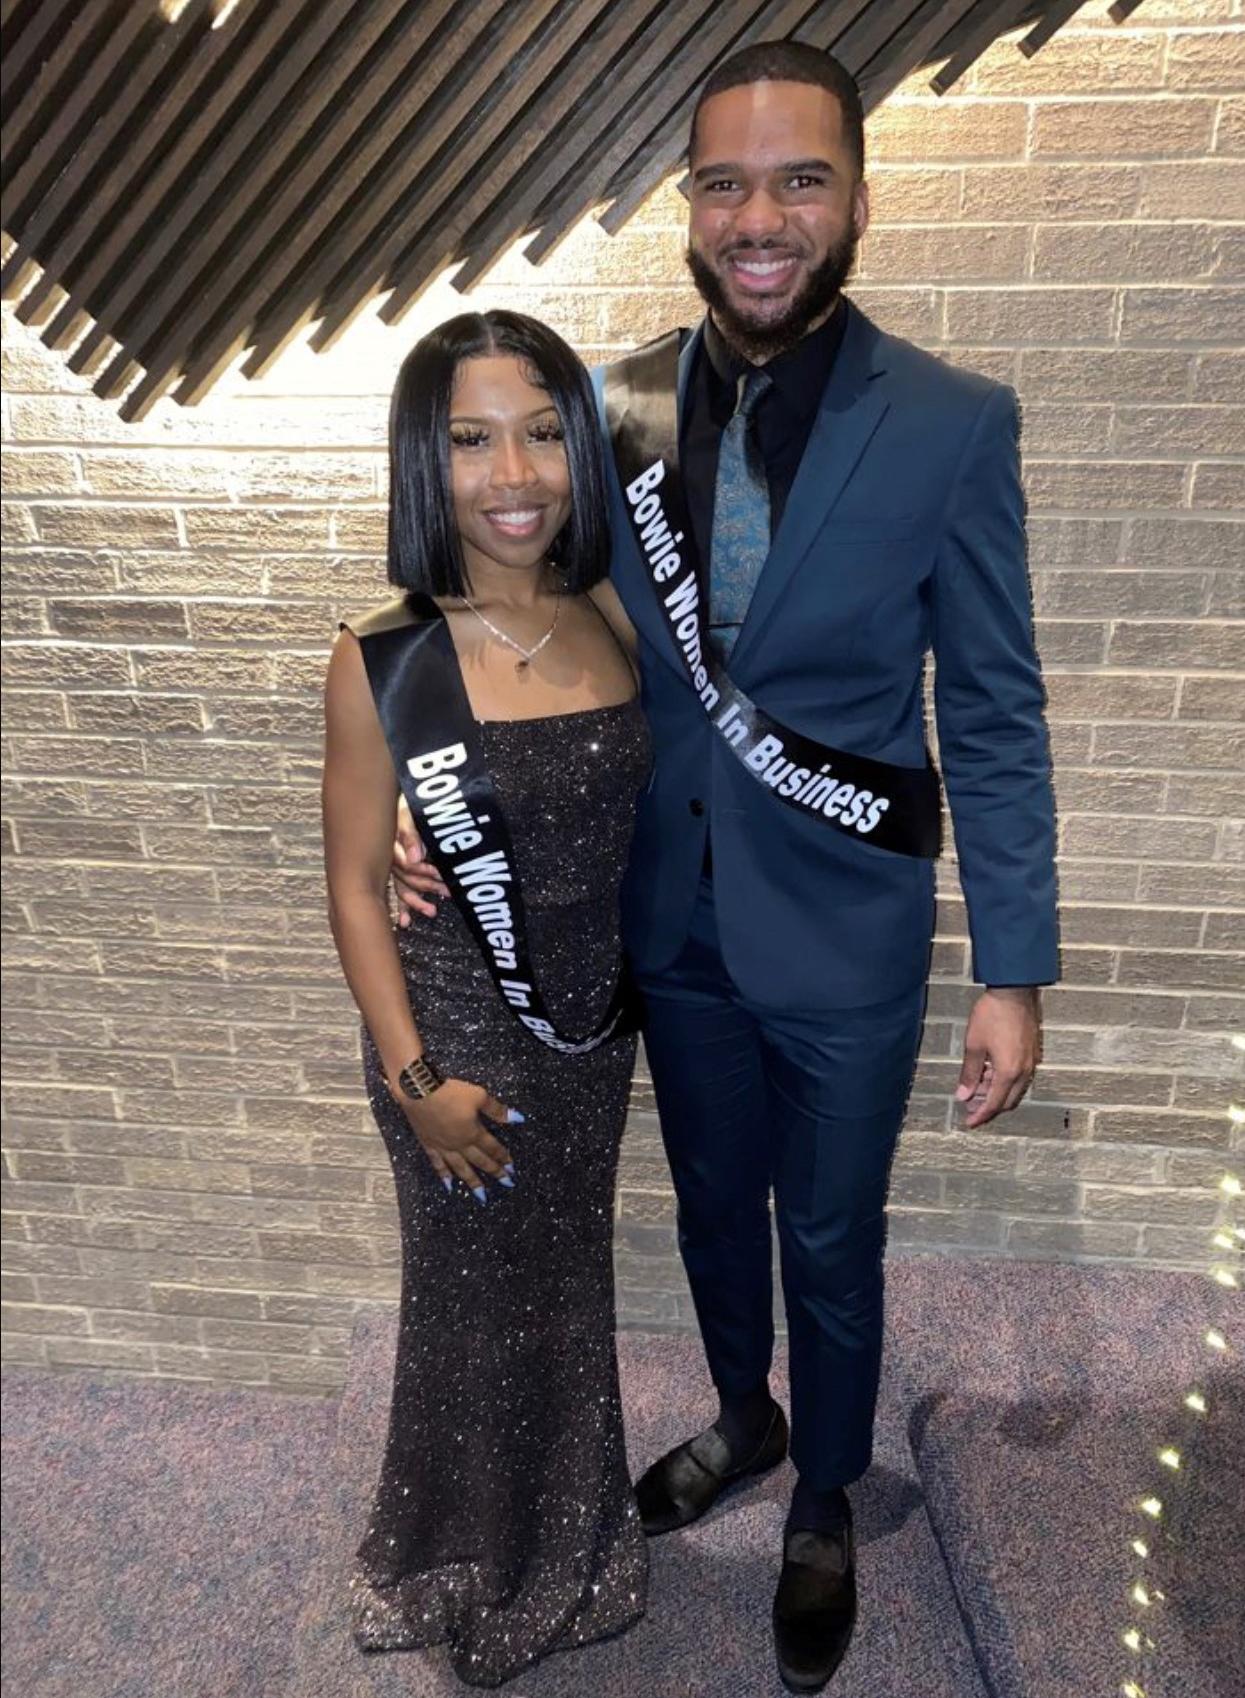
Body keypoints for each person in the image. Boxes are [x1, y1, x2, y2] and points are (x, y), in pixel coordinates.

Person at [396, 41, 1058, 1695]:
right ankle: (744, 1415)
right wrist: (425, 781)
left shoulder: (955, 425)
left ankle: (823, 1491)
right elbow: (517, 608)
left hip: (847, 935)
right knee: (708, 1206)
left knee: (830, 1234)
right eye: (725, 184)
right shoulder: (608, 408)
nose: (760, 218)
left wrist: (1013, 968)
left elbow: (991, 708)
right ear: (689, 205)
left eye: (799, 180)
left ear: (856, 201)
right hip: (669, 923)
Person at [322, 309, 650, 1687]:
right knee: (468, 1304)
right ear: (425, 458)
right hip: (450, 1040)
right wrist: (415, 1084)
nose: (512, 473)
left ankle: (572, 1529)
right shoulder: (385, 658)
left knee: (566, 1288)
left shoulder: (616, 613)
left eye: (542, 432)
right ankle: (456, 1550)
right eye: (470, 438)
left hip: (590, 1040)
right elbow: (355, 889)